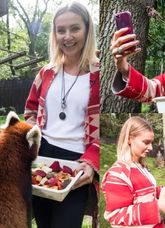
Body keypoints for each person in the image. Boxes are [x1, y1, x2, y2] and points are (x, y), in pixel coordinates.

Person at [24, 2, 99, 227]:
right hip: (41, 159)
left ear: (87, 30)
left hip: (78, 163)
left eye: (75, 28)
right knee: (43, 222)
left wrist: (92, 162)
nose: (67, 36)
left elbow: (103, 130)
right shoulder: (46, 73)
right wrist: (30, 142)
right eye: (61, 30)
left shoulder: (100, 75)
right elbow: (29, 112)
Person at [102, 116, 165, 227]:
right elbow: (115, 216)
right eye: (146, 142)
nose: (151, 147)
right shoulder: (117, 174)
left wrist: (163, 191)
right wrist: (156, 207)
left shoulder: (140, 166)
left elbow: (144, 193)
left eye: (151, 142)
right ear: (129, 139)